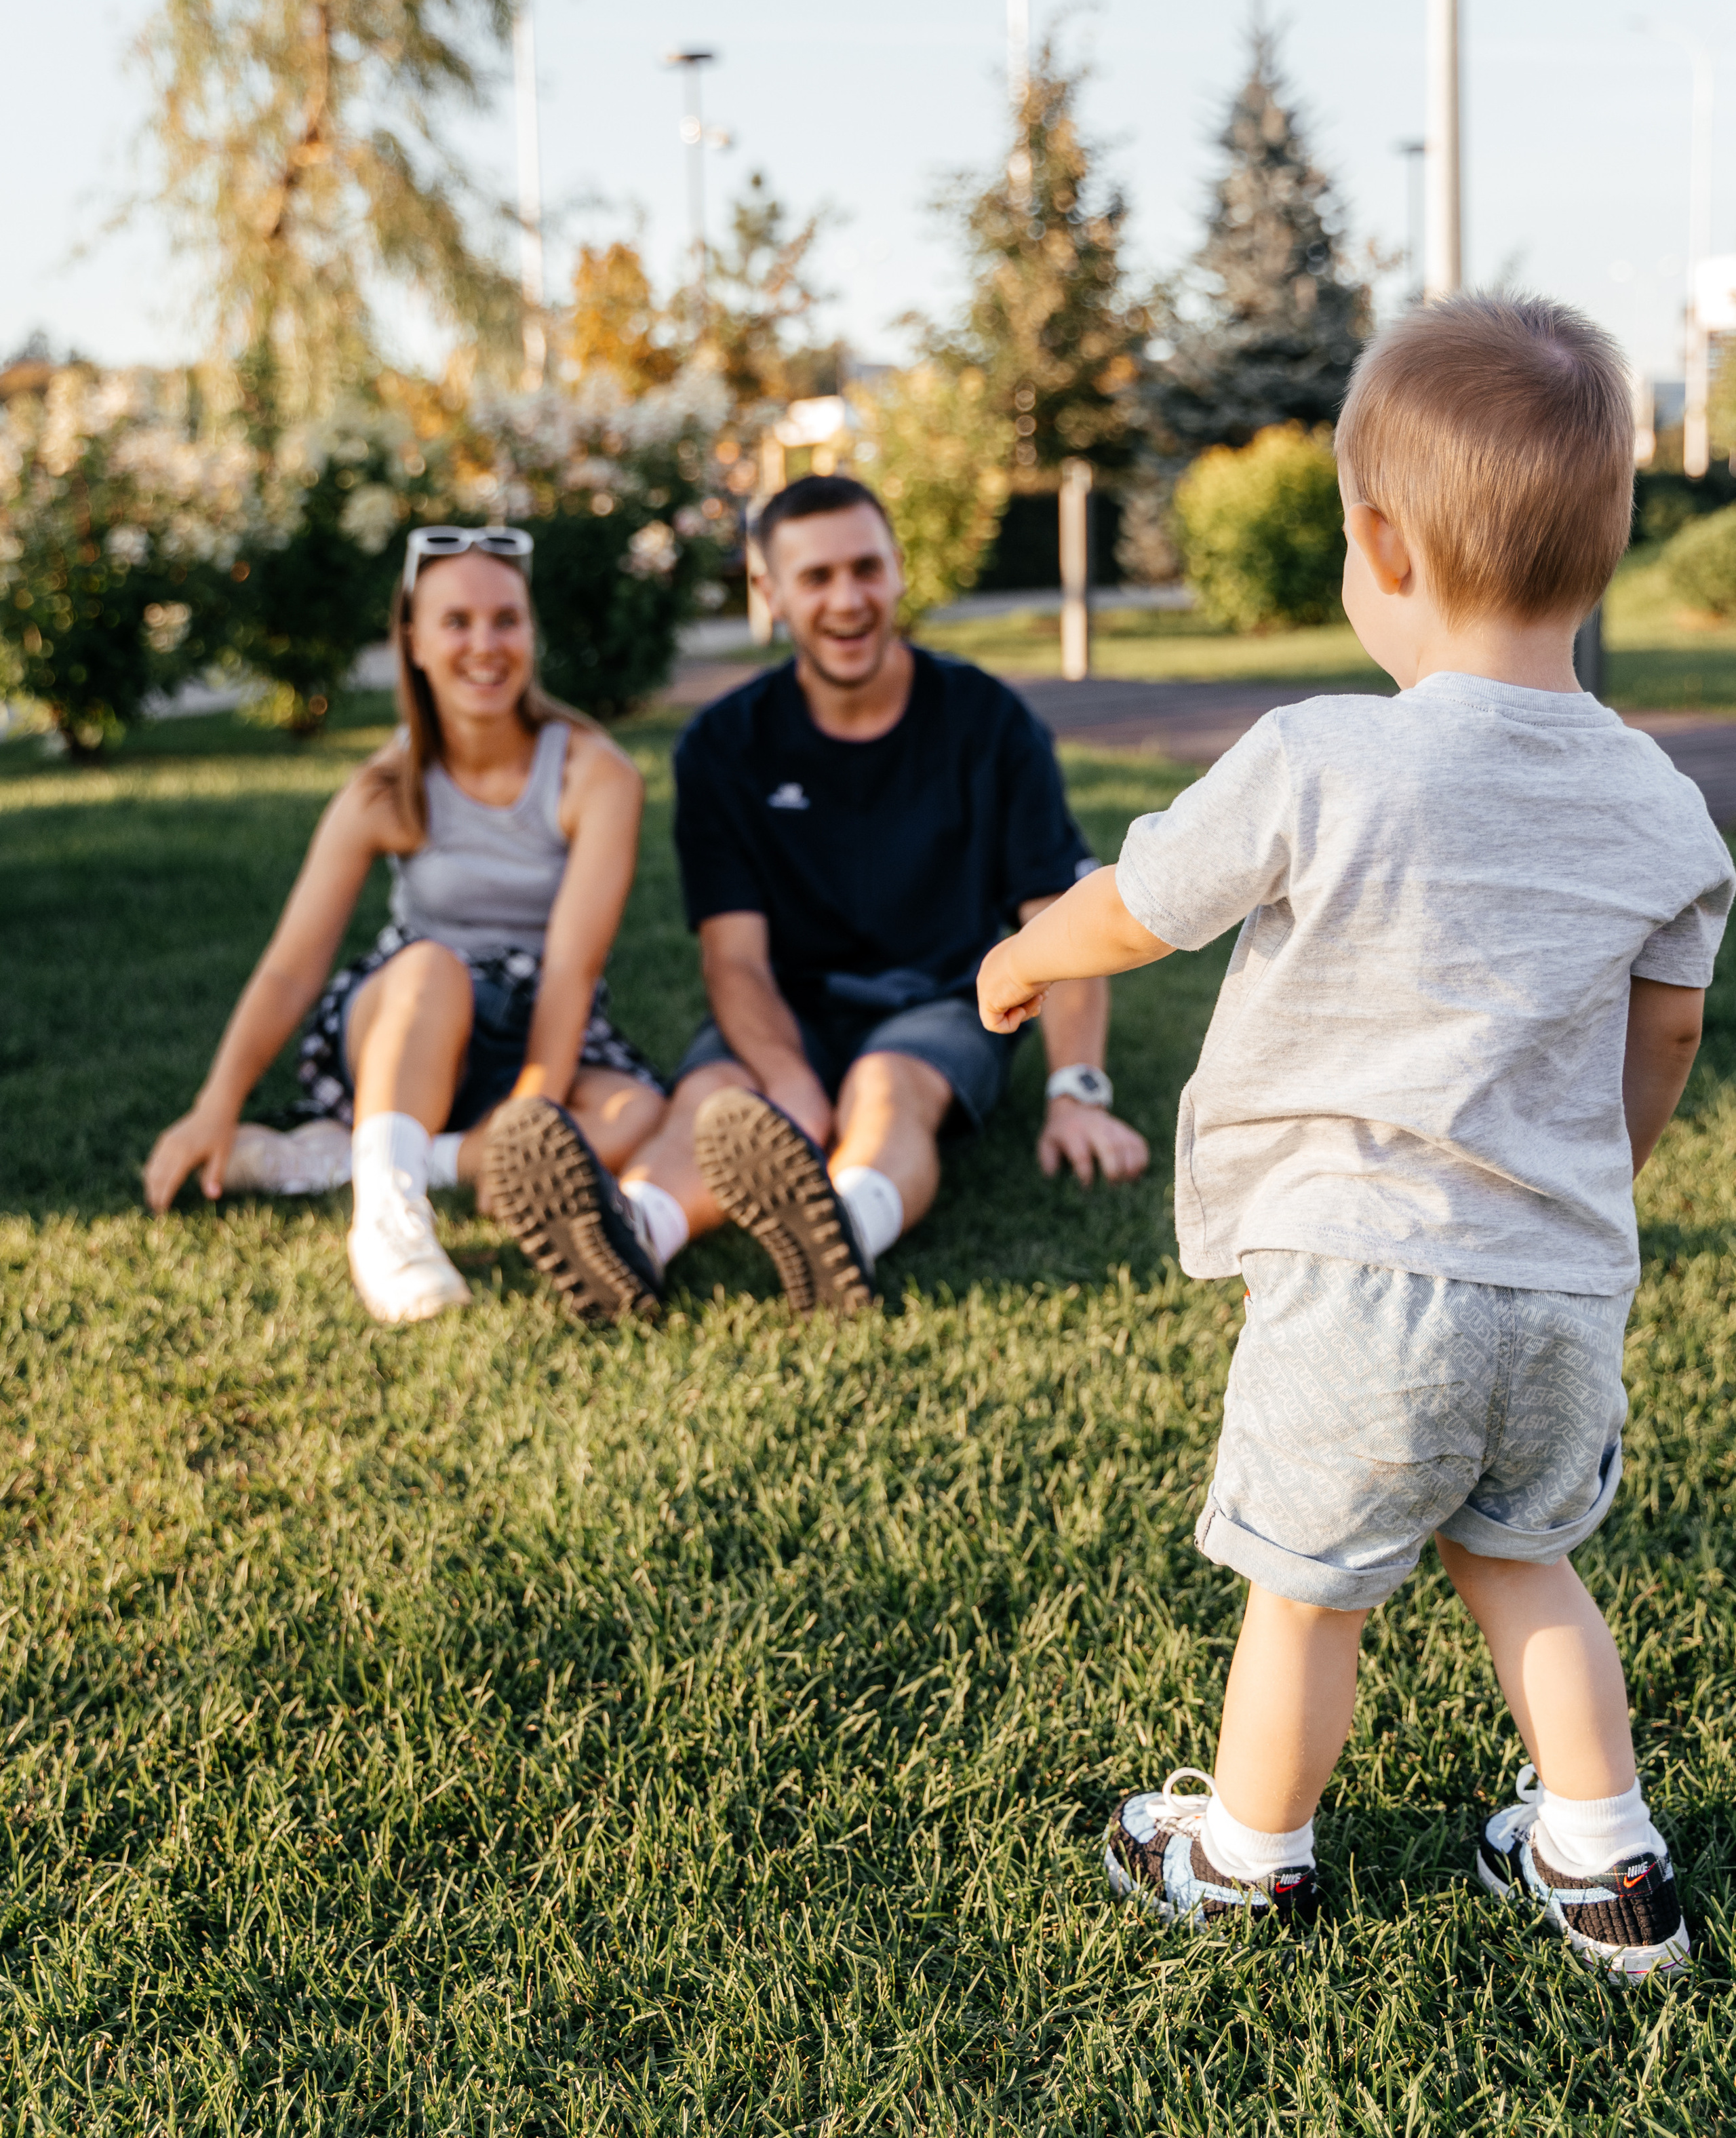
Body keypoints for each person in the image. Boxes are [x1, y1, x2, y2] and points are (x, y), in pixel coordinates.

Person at [978, 294, 1733, 1985]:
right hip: (1552, 1287)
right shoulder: (1657, 803)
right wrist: (1591, 1174)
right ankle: (1604, 1863)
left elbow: (1139, 906)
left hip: (1358, 1281)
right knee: (1523, 1563)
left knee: (1307, 1596)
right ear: (1601, 555)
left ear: (1375, 546)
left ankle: (1245, 1854)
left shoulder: (1318, 756)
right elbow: (1665, 1029)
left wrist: (1023, 954)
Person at [485, 474, 1148, 1315]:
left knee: (886, 1086)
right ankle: (634, 1234)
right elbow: (733, 957)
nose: (848, 600)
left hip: (941, 997)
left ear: (899, 571)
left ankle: (843, 1228)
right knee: (713, 1100)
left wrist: (1075, 1091)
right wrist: (790, 1081)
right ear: (769, 593)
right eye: (816, 577)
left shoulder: (988, 721)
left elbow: (1055, 919)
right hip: (782, 1002)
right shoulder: (723, 746)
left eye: (866, 569)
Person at [143, 526, 668, 1327]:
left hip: (538, 1020)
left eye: (506, 620)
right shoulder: (386, 786)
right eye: (456, 622)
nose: (484, 645)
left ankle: (341, 1155)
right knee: (433, 969)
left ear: (531, 634)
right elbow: (292, 966)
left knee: (637, 1116)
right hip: (408, 1014)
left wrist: (526, 1118)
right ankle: (388, 1221)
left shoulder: (598, 775)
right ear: (414, 642)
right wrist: (216, 1101)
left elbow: (570, 970)